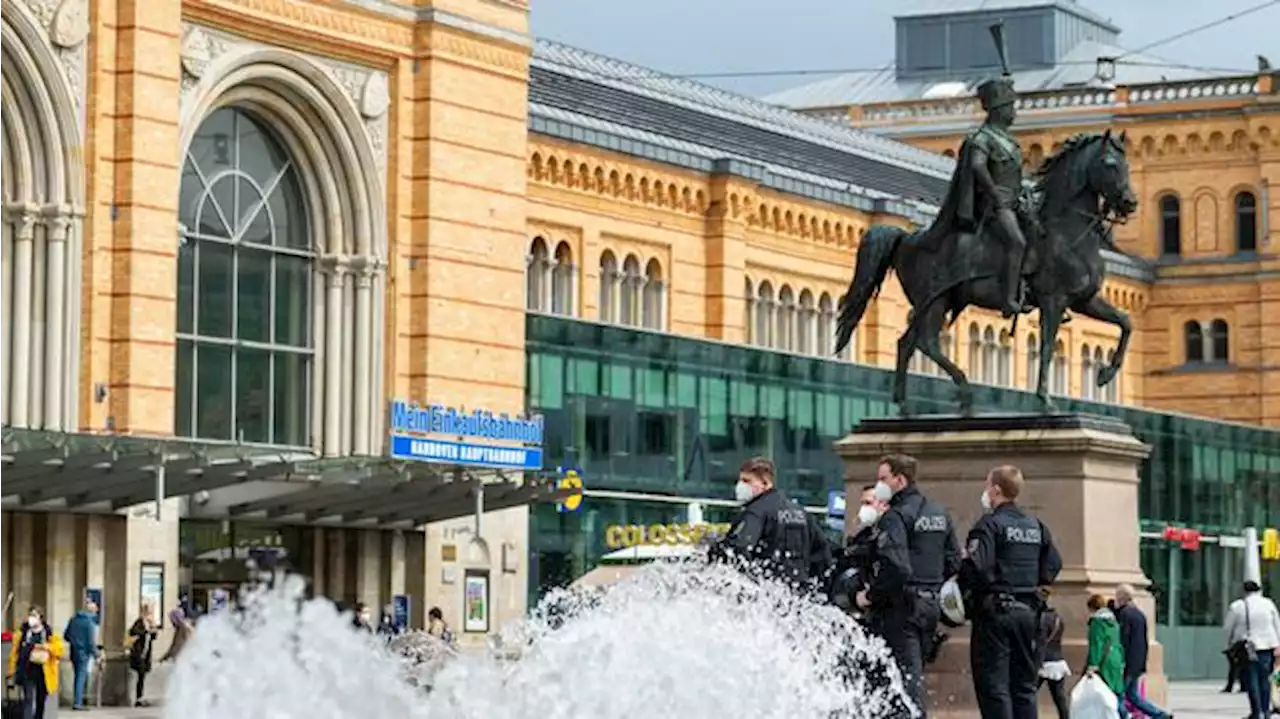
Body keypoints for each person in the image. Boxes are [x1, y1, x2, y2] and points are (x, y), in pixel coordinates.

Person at [916, 72, 1034, 319]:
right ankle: (1009, 299)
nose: (1014, 112)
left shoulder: (1009, 141)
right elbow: (978, 167)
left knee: (1041, 233)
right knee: (1017, 242)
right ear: (997, 109)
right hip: (994, 206)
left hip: (1014, 202)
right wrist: (994, 195)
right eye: (1010, 107)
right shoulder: (981, 139)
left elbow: (1012, 175)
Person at [854, 454, 961, 718]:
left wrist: (871, 595)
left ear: (899, 480)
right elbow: (953, 561)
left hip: (901, 608)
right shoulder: (938, 512)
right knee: (910, 676)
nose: (879, 485)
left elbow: (897, 568)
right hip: (930, 605)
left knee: (903, 685)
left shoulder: (896, 517)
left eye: (883, 479)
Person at [959, 464, 1062, 719]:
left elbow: (977, 567)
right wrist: (1036, 586)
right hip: (1029, 614)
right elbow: (1054, 563)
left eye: (987, 486)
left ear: (995, 490)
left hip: (996, 614)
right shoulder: (1035, 525)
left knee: (994, 687)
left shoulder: (989, 525)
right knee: (1024, 687)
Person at [720, 457, 815, 587]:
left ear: (765, 483)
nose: (740, 486)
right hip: (797, 591)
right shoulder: (800, 512)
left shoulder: (756, 511)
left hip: (767, 590)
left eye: (746, 481)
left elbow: (739, 549)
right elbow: (821, 552)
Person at [1113, 583, 1171, 718]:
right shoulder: (1139, 614)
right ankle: (1160, 715)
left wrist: (1121, 661)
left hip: (1128, 661)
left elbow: (1124, 639)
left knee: (1118, 695)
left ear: (1121, 597)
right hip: (1138, 661)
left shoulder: (1125, 614)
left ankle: (1127, 716)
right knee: (1133, 695)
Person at [1225, 579, 1280, 719]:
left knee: (1251, 680)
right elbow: (1276, 624)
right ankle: (1266, 710)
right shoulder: (1268, 604)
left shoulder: (1238, 606)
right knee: (1265, 679)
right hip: (1267, 646)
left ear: (1244, 591)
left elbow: (1228, 628)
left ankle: (1256, 712)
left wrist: (1229, 643)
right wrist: (1278, 644)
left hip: (1247, 647)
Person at [8, 606, 64, 719]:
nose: (31, 618)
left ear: (40, 618)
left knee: (40, 700)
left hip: (44, 671)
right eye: (30, 615)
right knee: (28, 699)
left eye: (34, 615)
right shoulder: (22, 633)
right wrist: (12, 671)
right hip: (27, 670)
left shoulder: (48, 632)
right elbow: (14, 653)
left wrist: (46, 646)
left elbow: (59, 650)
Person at [1085, 593, 1129, 718]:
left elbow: (1096, 644)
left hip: (1105, 661)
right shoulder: (1113, 621)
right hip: (1116, 657)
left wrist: (1092, 664)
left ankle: (1124, 715)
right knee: (1116, 691)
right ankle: (1123, 714)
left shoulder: (1097, 623)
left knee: (1105, 692)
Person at [1036, 587, 1070, 719]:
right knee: (1059, 698)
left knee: (1028, 695)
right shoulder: (1058, 618)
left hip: (1043, 661)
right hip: (1058, 660)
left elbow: (1040, 642)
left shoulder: (1041, 618)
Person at [64, 596, 100, 711]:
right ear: (92, 611)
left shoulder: (73, 619)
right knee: (81, 677)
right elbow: (90, 643)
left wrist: (75, 642)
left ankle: (78, 701)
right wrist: (97, 654)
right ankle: (78, 703)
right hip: (83, 653)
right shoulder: (89, 623)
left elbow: (66, 636)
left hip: (73, 651)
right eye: (95, 611)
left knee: (78, 676)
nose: (96, 614)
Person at [127, 603, 159, 707]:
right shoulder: (139, 622)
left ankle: (140, 698)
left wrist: (153, 628)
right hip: (139, 653)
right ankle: (138, 698)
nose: (149, 614)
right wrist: (145, 631)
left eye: (150, 612)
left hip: (146, 653)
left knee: (143, 675)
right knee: (140, 674)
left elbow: (153, 637)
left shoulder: (150, 623)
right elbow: (133, 632)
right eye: (148, 612)